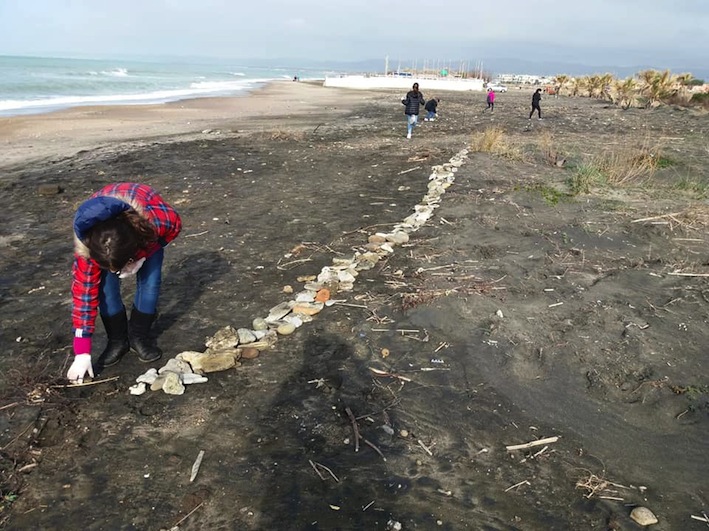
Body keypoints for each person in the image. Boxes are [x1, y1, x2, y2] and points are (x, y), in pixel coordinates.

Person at [67, 183, 182, 383]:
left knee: (150, 283)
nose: (115, 272)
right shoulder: (88, 252)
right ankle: (117, 340)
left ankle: (139, 336)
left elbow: (175, 226)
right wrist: (82, 351)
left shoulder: (153, 222)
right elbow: (83, 298)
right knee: (106, 291)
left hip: (142, 232)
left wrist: (144, 255)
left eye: (119, 266)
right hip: (112, 244)